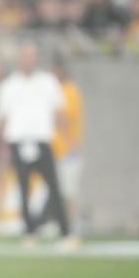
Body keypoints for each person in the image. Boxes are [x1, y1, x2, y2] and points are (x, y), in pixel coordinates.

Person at [0, 41, 71, 249]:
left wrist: (68, 140)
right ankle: (30, 233)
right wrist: (1, 147)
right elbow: (2, 118)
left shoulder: (48, 82)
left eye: (31, 55)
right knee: (23, 189)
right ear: (19, 59)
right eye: (24, 55)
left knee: (54, 187)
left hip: (42, 140)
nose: (28, 59)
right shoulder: (8, 85)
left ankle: (66, 233)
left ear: (36, 58)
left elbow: (60, 113)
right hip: (18, 142)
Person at [49, 56, 84, 248]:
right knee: (60, 193)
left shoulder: (69, 92)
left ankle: (71, 228)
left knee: (69, 193)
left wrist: (71, 145)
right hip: (57, 150)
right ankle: (62, 226)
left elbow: (63, 118)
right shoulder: (58, 91)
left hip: (68, 151)